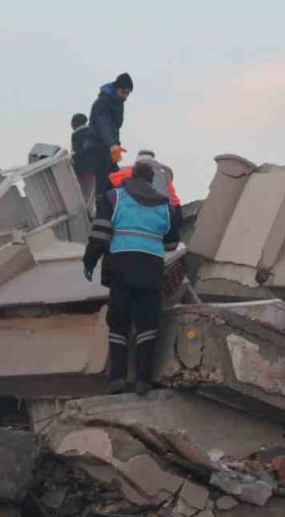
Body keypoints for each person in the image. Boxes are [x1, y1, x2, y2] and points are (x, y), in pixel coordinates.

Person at [83, 161, 182, 396]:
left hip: (120, 267)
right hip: (151, 270)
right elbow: (171, 243)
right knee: (147, 324)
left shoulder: (114, 198)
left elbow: (100, 234)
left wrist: (89, 260)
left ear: (130, 177)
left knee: (118, 323)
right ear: (150, 181)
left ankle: (117, 378)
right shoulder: (165, 206)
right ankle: (143, 381)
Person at [84, 73, 133, 197]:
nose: (125, 96)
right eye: (123, 92)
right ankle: (101, 212)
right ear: (116, 88)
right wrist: (112, 145)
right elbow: (103, 125)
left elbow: (114, 127)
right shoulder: (102, 103)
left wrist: (115, 145)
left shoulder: (118, 102)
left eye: (128, 94)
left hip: (109, 148)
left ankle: (112, 210)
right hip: (98, 147)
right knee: (103, 184)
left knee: (116, 180)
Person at [108, 150, 181, 207]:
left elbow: (109, 181)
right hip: (163, 214)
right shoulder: (163, 176)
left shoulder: (129, 171)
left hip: (134, 212)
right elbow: (175, 202)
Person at [71, 113, 95, 206]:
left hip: (82, 171)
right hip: (94, 168)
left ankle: (87, 213)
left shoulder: (76, 135)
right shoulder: (92, 131)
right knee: (92, 194)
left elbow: (76, 152)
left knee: (85, 194)